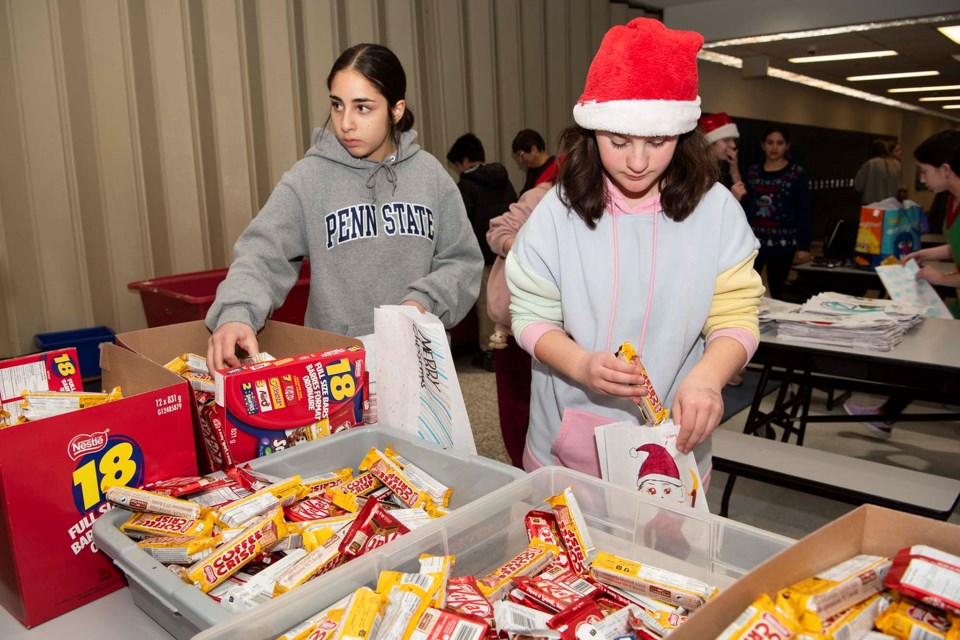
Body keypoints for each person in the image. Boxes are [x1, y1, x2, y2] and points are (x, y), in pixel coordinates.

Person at [505, 18, 763, 483]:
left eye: (658, 141)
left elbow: (736, 312)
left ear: (683, 136)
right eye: (618, 141)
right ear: (592, 131)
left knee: (665, 550)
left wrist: (707, 377)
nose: (638, 162)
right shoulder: (558, 211)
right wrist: (579, 363)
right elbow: (530, 315)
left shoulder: (716, 211)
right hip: (567, 441)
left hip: (673, 445)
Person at [205, 43, 484, 370]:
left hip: (420, 364)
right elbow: (263, 253)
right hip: (336, 371)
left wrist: (422, 303)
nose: (345, 123)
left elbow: (462, 261)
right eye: (337, 105)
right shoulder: (309, 178)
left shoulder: (430, 175)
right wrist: (237, 313)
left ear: (396, 109)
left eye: (362, 107)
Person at [844, 130, 960, 438]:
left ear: (946, 170)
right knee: (929, 357)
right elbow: (956, 246)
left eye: (925, 171)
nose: (921, 177)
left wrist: (943, 278)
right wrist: (929, 252)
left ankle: (887, 414)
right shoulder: (951, 202)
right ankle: (887, 414)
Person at [486, 179, 554, 467]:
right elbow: (498, 231)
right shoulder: (541, 196)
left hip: (563, 330)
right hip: (516, 326)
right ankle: (522, 472)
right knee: (518, 407)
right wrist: (528, 250)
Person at [446, 133, 517, 370]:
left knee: (487, 305)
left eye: (456, 164)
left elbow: (460, 224)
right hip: (509, 250)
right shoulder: (504, 179)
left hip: (483, 254)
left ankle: (490, 351)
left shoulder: (465, 187)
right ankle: (510, 345)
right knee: (508, 300)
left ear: (464, 160)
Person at [743, 125, 812, 301]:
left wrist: (803, 246)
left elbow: (804, 209)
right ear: (763, 145)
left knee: (779, 290)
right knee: (747, 289)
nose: (774, 147)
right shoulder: (752, 172)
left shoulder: (796, 173)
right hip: (753, 244)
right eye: (770, 142)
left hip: (783, 244)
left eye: (779, 143)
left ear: (787, 146)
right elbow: (745, 205)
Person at [698, 112, 746, 202]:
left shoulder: (723, 168)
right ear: (710, 143)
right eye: (726, 140)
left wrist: (734, 171)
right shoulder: (698, 172)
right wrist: (732, 200)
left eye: (733, 140)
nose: (733, 145)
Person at [854, 139, 901, 205]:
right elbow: (900, 185)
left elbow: (858, 185)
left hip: (872, 204)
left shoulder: (870, 164)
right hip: (890, 204)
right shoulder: (896, 165)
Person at [512, 129, 560, 194]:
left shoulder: (556, 167)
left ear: (534, 149)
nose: (520, 160)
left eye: (521, 155)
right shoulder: (531, 171)